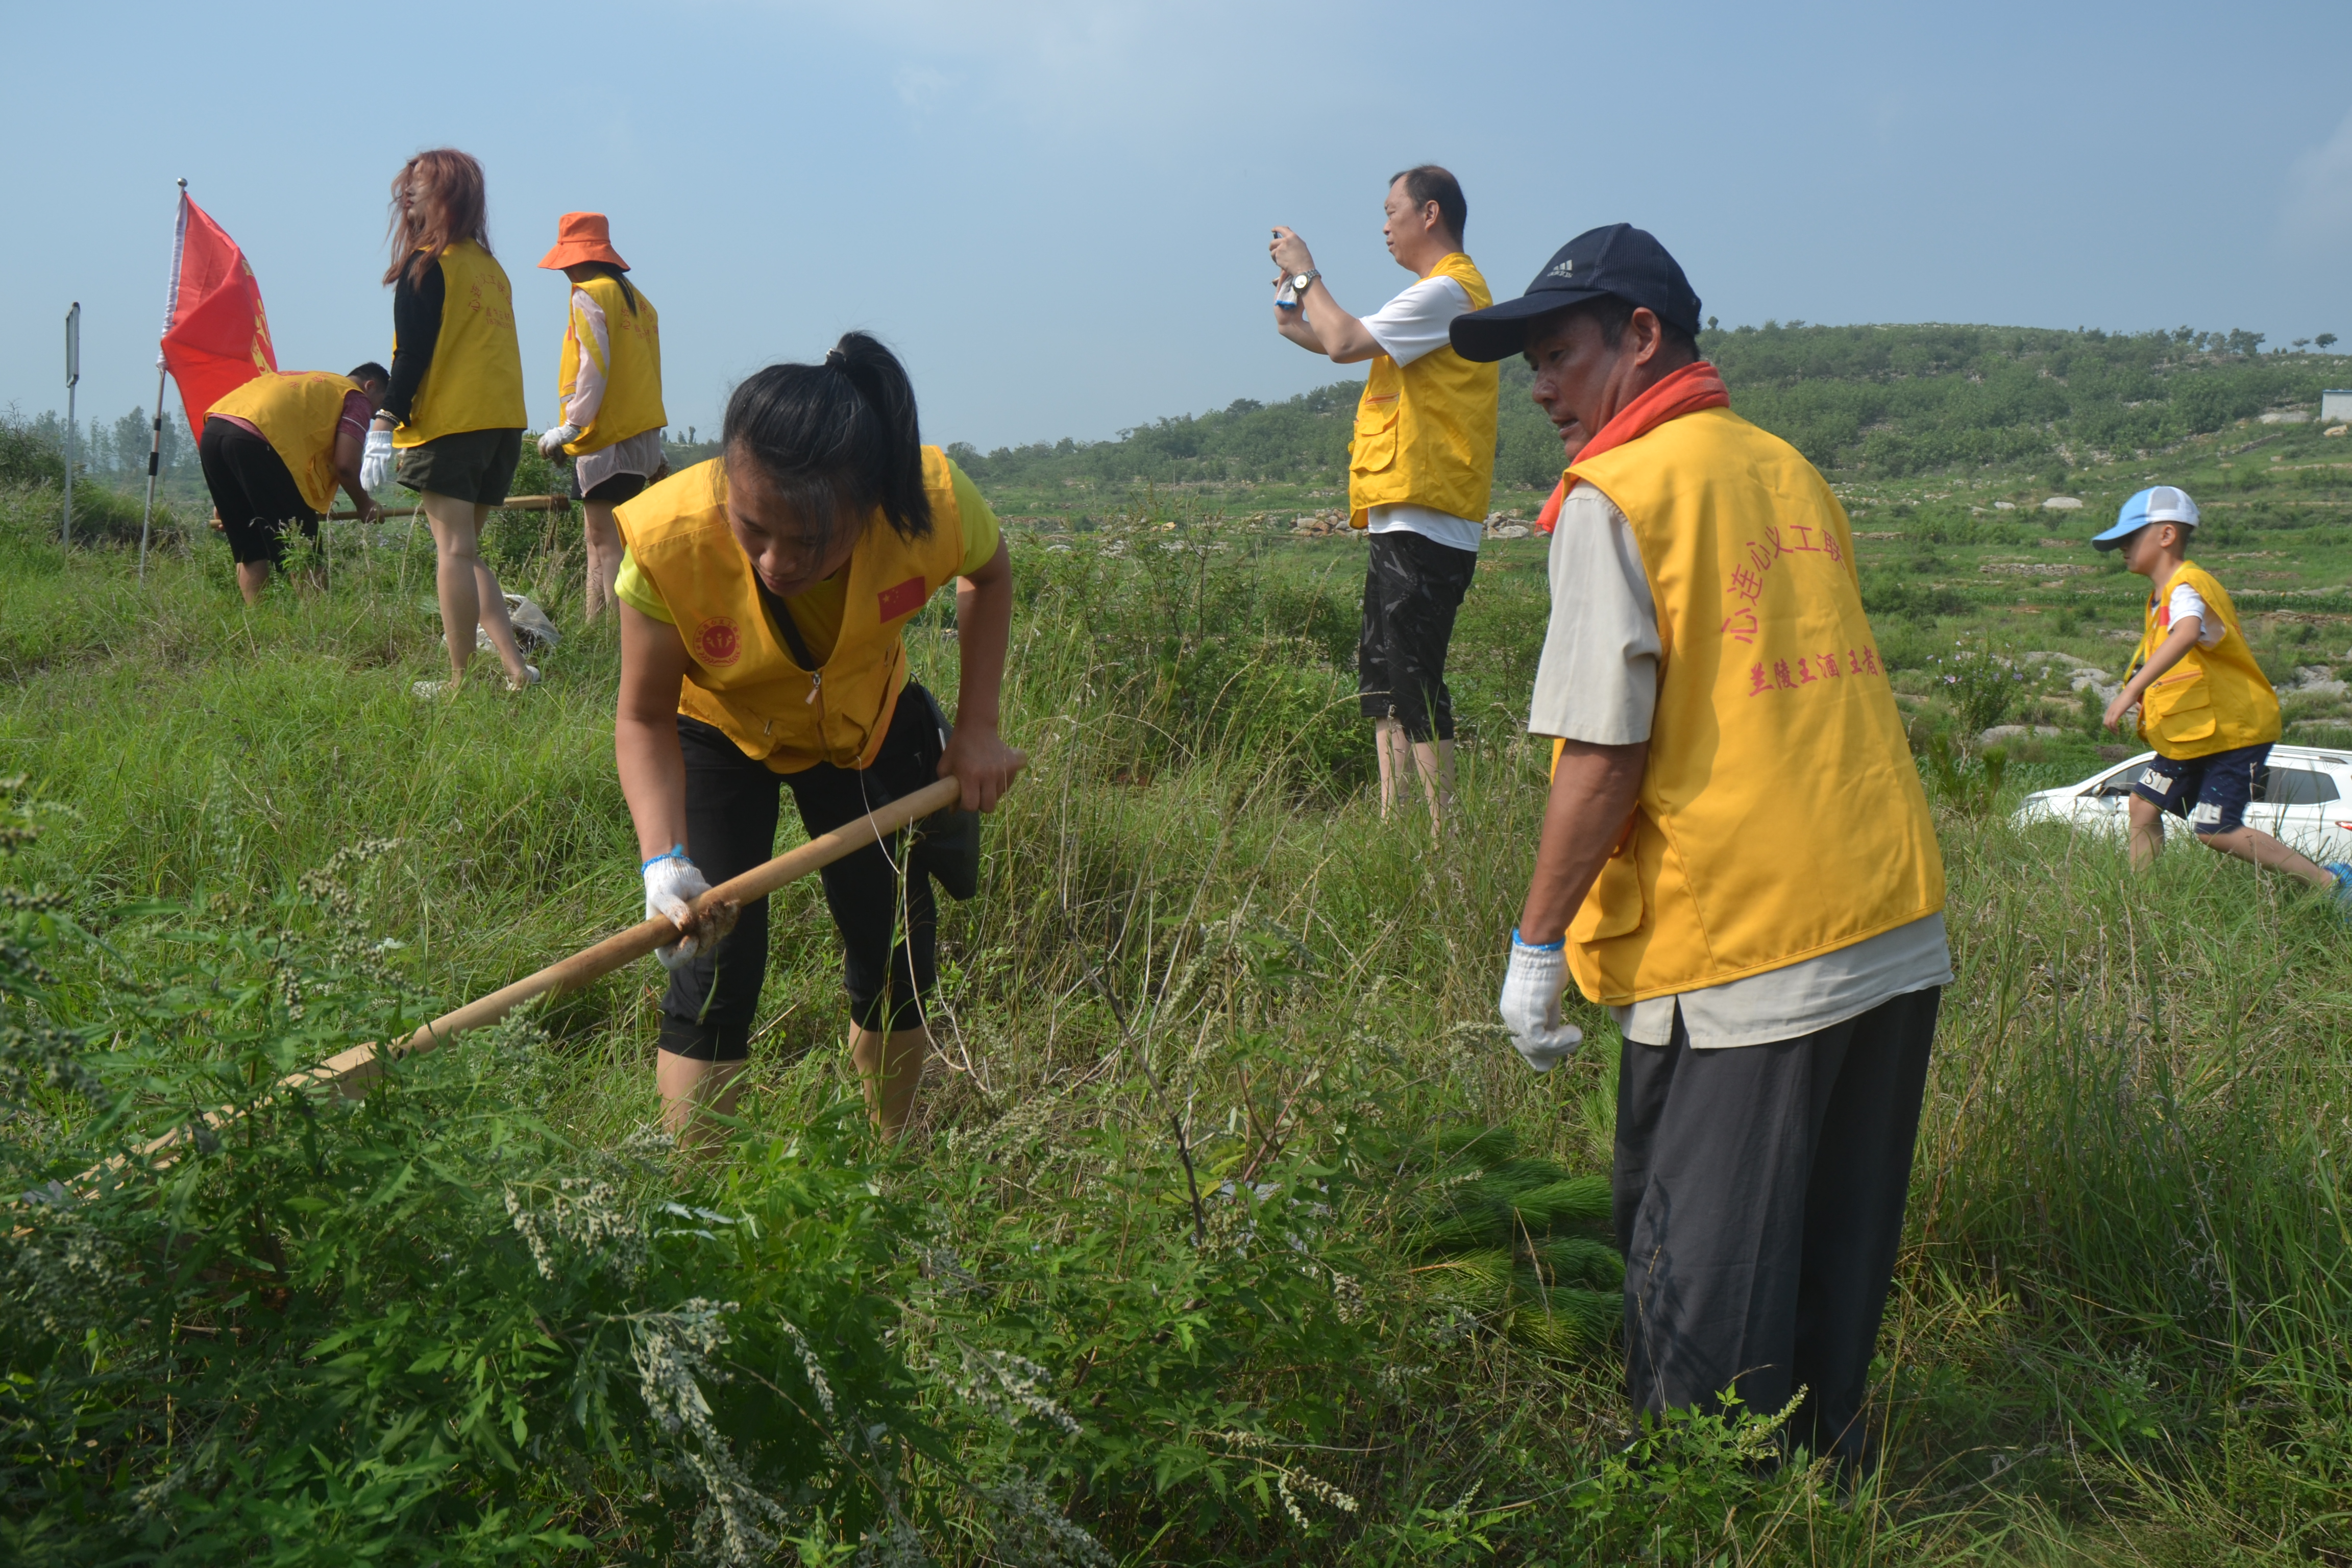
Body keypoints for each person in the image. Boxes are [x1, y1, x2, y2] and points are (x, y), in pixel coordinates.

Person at [1453, 224, 1952, 1472]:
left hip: (1748, 943)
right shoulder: (1783, 466)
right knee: (1832, 1260)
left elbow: (1603, 755)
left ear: (1641, 336)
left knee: (1701, 1294)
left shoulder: (1619, 495)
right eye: (1530, 367)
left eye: (1560, 352)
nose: (1545, 389)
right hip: (1888, 912)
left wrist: (1534, 945)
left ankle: (1709, 1513)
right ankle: (1825, 1495)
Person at [610, 331, 1022, 1143]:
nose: (776, 561)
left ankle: (890, 1164)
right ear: (727, 482)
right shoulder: (667, 538)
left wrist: (977, 729)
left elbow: (991, 573)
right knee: (712, 963)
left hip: (866, 727)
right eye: (754, 528)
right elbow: (645, 716)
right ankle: (696, 1205)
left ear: (869, 508)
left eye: (810, 543)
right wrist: (665, 861)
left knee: (896, 950)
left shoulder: (928, 500)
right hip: (722, 733)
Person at [1268, 166, 1497, 826]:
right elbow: (1317, 334)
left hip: (1431, 521)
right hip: (1403, 516)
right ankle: (1393, 829)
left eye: (1392, 211)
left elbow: (1342, 340)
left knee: (1416, 679)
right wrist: (1292, 303)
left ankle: (1441, 842)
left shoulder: (1449, 292)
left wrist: (1308, 271)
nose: (1385, 225)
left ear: (1430, 214)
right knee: (1383, 682)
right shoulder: (1429, 298)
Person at [2097, 486, 2352, 894]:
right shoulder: (2160, 598)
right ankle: (2140, 904)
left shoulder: (2187, 587)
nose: (2123, 548)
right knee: (2143, 804)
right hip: (2194, 734)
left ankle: (2332, 885)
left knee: (2216, 830)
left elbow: (2185, 635)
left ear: (2166, 535)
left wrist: (2131, 691)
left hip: (2233, 733)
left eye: (2130, 538)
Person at [361, 148, 538, 696]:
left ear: (450, 195)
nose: (409, 194)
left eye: (423, 184)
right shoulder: (489, 268)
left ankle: (458, 682)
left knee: (454, 552)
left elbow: (411, 355)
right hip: (502, 425)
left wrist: (384, 419)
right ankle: (516, 671)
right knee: (467, 552)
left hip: (453, 426)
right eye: (408, 185)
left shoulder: (428, 264)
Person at [535, 212, 667, 621]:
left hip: (604, 435)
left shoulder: (588, 293)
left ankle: (617, 636)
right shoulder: (640, 302)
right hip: (639, 437)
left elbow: (595, 363)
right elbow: (646, 370)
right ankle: (595, 628)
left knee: (606, 542)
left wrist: (573, 424)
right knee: (600, 539)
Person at [201, 365, 388, 603]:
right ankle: (318, 622)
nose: (374, 416)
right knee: (301, 545)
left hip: (214, 432)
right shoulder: (355, 396)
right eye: (378, 407)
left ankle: (259, 627)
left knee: (249, 548)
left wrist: (230, 498)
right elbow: (346, 466)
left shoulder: (311, 382)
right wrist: (365, 505)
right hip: (259, 441)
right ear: (370, 386)